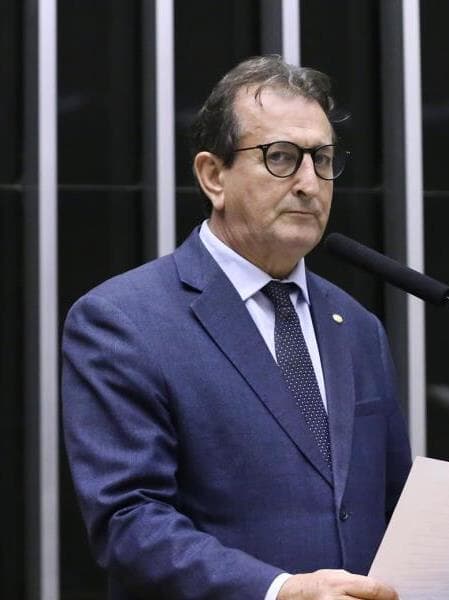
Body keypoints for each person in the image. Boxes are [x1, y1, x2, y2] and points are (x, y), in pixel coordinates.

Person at [62, 55, 412, 600]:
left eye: (322, 159)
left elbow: (392, 504)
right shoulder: (122, 321)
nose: (309, 183)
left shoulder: (357, 326)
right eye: (281, 157)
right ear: (213, 176)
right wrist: (281, 591)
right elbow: (129, 522)